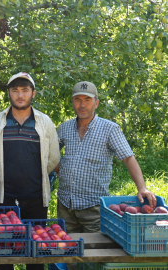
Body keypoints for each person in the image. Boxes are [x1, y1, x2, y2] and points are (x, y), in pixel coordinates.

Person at [55, 81, 156, 234]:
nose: (82, 104)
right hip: (65, 205)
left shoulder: (110, 129)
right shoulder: (64, 128)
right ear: (72, 102)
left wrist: (142, 188)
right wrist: (59, 170)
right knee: (67, 251)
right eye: (78, 100)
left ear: (96, 103)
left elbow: (128, 158)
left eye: (87, 100)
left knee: (95, 253)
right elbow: (51, 154)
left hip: (94, 207)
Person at [0, 72, 60, 270]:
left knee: (35, 254)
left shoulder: (44, 122)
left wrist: (32, 176)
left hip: (36, 197)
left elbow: (53, 158)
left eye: (25, 90)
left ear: (33, 93)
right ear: (9, 94)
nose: (20, 95)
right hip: (3, 197)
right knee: (4, 253)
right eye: (15, 90)